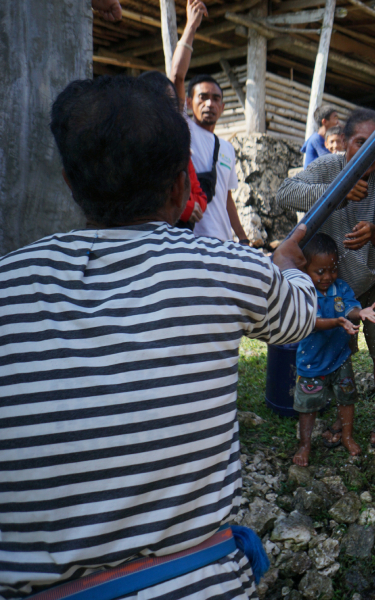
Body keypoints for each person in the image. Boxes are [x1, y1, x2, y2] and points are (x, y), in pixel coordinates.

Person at [0, 75, 316, 600]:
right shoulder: (225, 267)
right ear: (178, 185)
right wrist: (285, 267)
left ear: (70, 183)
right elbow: (298, 315)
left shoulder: (10, 278)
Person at [277, 108, 375, 449]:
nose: (369, 153)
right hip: (335, 277)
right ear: (345, 141)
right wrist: (335, 193)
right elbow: (284, 193)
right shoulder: (328, 167)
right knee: (339, 346)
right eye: (361, 142)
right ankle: (339, 417)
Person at [293, 233, 375, 466]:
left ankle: (346, 435)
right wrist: (337, 321)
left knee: (346, 399)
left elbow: (350, 308)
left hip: (340, 358)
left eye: (332, 270)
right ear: (305, 269)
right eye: (320, 272)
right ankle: (305, 445)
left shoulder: (340, 288)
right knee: (308, 406)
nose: (327, 277)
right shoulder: (304, 292)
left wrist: (359, 312)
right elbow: (311, 322)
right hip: (312, 362)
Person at [169, 1, 249, 245]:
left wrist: (243, 239)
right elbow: (176, 76)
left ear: (223, 107)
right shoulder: (183, 128)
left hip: (223, 244)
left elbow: (226, 199)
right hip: (190, 242)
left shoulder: (227, 148)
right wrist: (191, 26)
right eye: (202, 97)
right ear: (189, 102)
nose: (209, 104)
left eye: (216, 99)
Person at [137, 70, 208, 229]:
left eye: (172, 107)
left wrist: (185, 206)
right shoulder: (131, 148)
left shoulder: (179, 148)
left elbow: (200, 196)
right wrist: (185, 209)